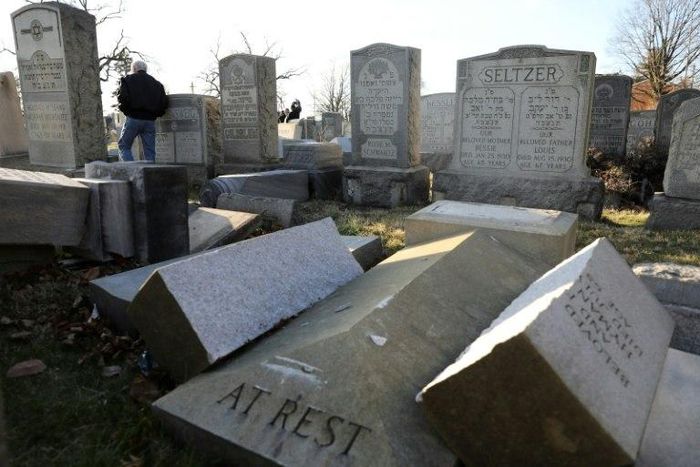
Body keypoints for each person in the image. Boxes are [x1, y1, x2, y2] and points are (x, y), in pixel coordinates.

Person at [117, 60, 168, 162]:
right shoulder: (157, 84)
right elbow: (164, 103)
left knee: (124, 146)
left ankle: (132, 172)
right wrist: (155, 115)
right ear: (145, 69)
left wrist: (127, 111)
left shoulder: (127, 80)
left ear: (134, 69)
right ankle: (151, 175)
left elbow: (122, 98)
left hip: (133, 118)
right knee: (150, 151)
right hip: (150, 121)